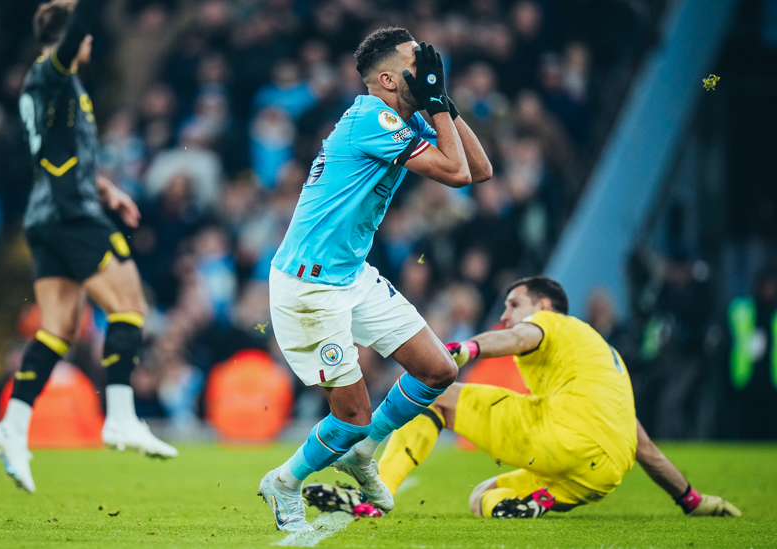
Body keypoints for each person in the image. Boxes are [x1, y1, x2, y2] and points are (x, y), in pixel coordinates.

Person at [258, 27, 492, 532]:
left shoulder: (399, 119)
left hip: (350, 275)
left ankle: (360, 451)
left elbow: (479, 169)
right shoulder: (372, 118)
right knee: (351, 415)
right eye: (416, 65)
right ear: (387, 79)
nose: (426, 71)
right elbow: (454, 173)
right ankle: (284, 480)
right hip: (309, 288)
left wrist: (442, 101)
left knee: (439, 369)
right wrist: (435, 106)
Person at [349, 276, 739, 518]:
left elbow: (517, 337)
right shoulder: (602, 357)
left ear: (543, 307)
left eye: (514, 305)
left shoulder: (548, 323)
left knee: (436, 397)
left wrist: (468, 348)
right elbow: (645, 447)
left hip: (564, 435)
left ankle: (377, 492)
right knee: (482, 497)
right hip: (603, 473)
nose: (505, 315)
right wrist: (690, 498)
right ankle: (533, 503)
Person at [0, 0, 176, 495]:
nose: (90, 43)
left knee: (59, 329)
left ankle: (11, 426)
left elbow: (61, 156)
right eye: (84, 36)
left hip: (48, 215)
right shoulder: (52, 72)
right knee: (130, 306)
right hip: (71, 217)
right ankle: (120, 417)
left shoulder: (55, 85)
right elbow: (76, 34)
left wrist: (106, 188)